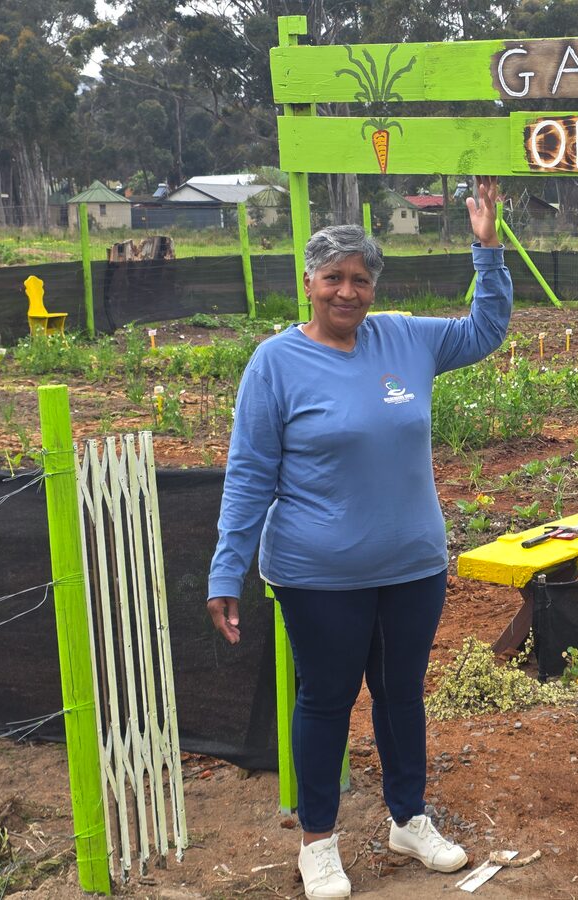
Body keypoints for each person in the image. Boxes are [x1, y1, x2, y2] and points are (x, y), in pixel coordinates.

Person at [206, 176, 511, 899]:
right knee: (325, 699)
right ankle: (318, 841)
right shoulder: (275, 364)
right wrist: (228, 570)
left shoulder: (404, 338)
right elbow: (250, 475)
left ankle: (408, 818)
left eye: (361, 279)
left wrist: (487, 248)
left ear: (375, 285)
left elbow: (484, 331)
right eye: (334, 278)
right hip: (318, 574)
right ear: (309, 282)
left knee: (401, 694)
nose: (348, 292)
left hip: (411, 564)